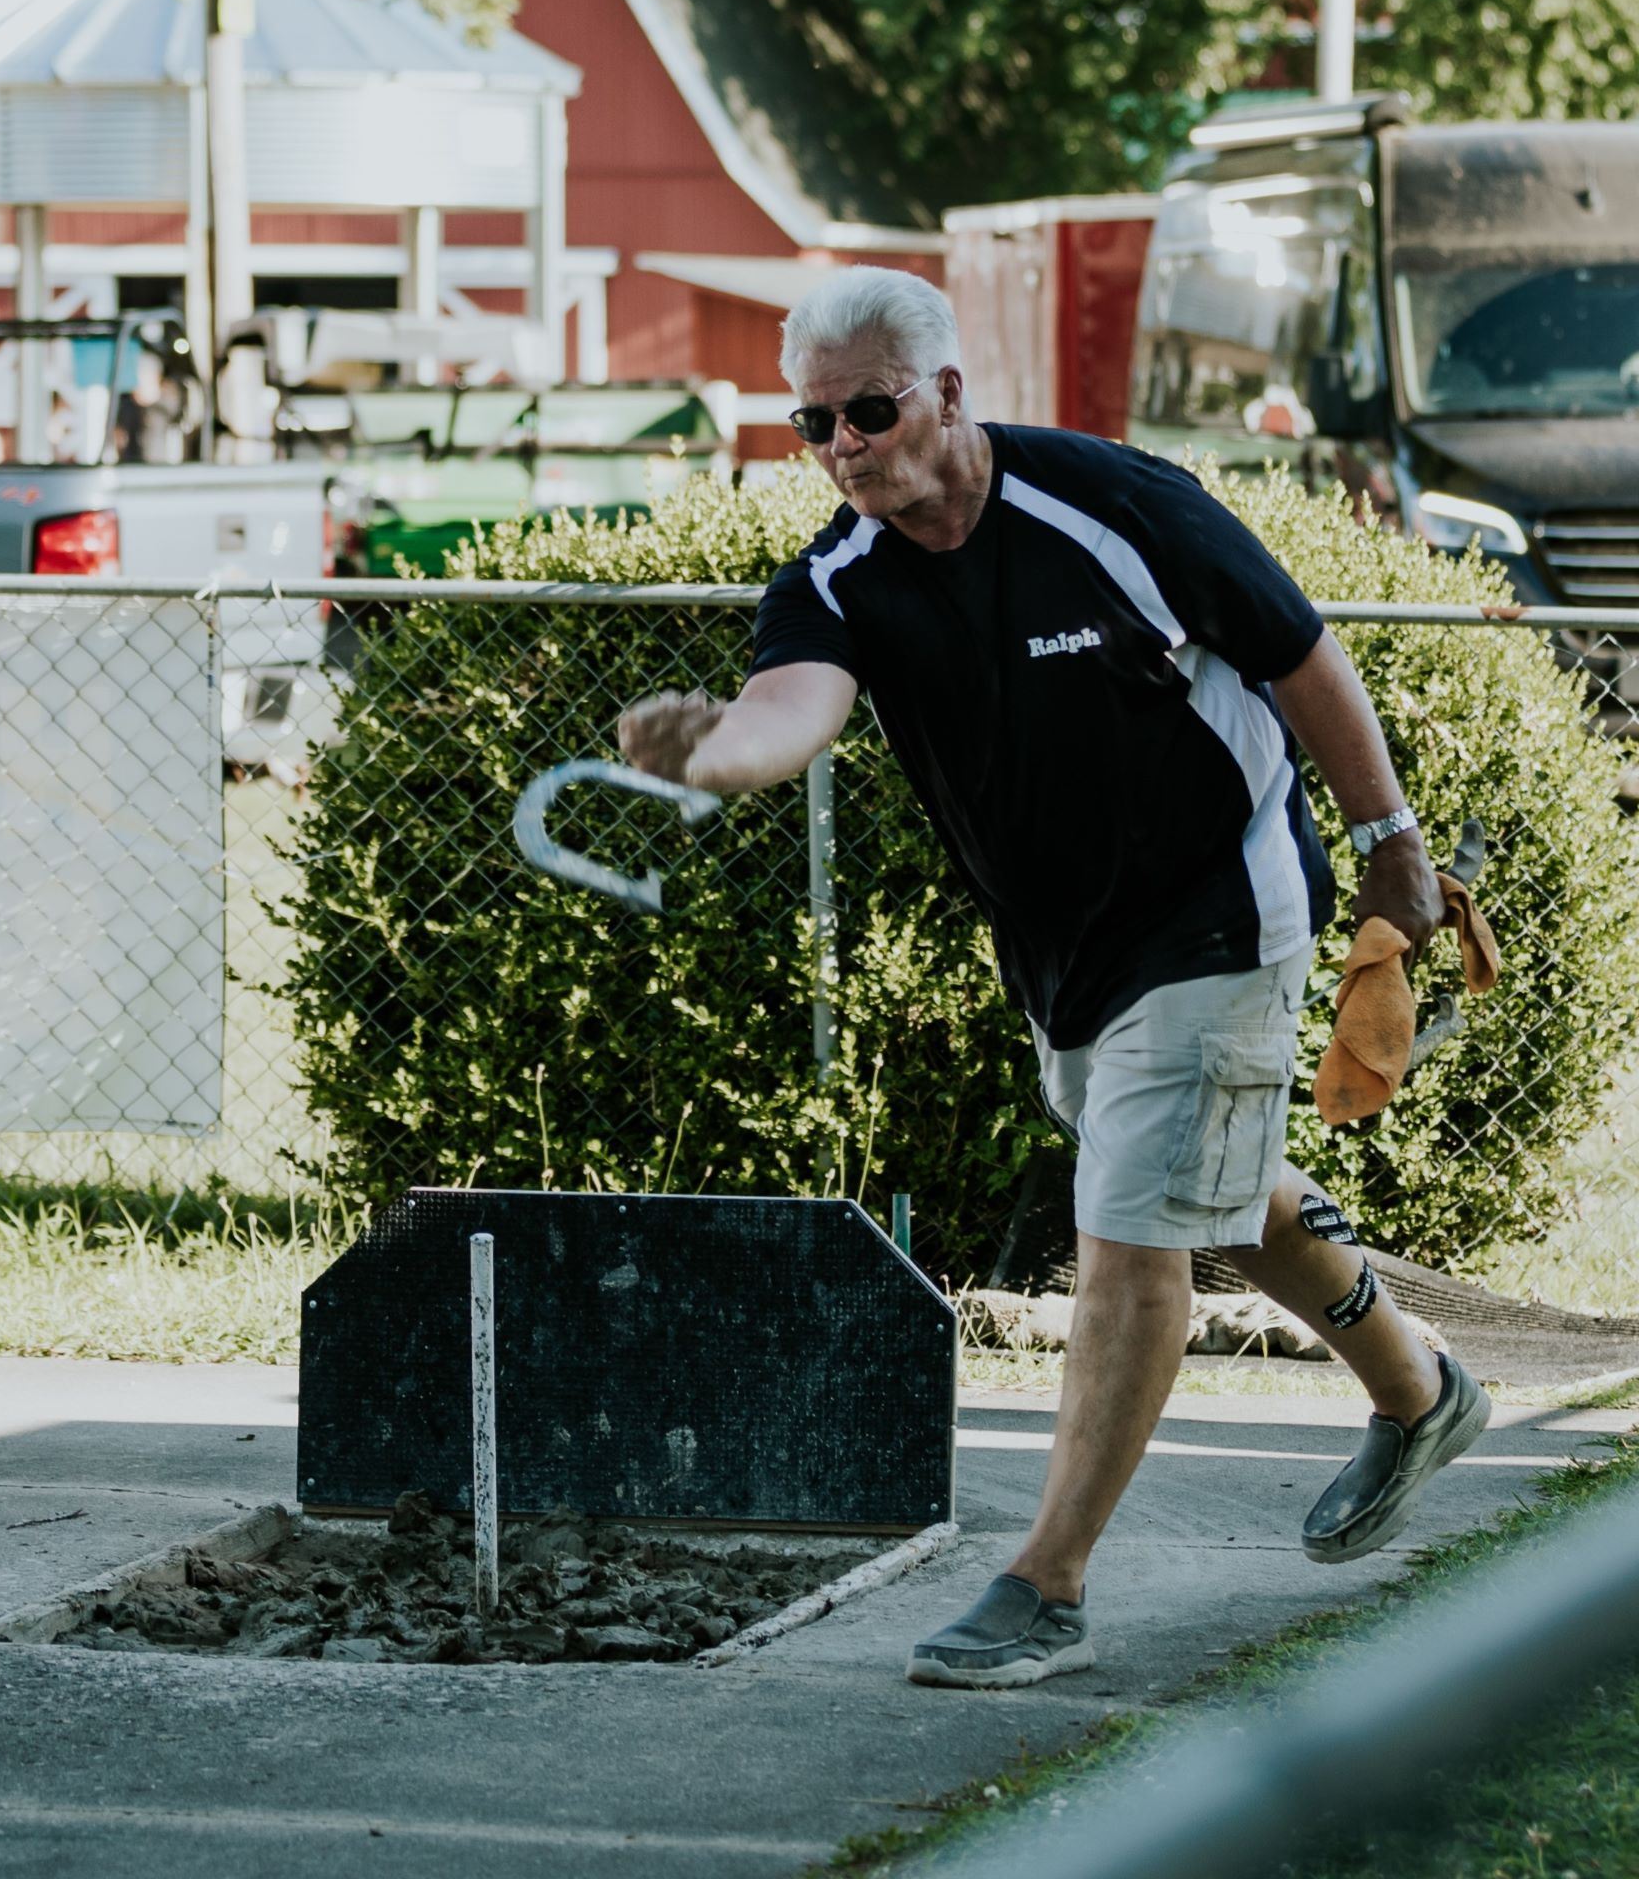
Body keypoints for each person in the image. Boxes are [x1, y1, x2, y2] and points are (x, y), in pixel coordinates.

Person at [617, 266, 1491, 1691]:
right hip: (1066, 947)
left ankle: (1048, 1582)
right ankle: (1422, 1389)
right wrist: (713, 751)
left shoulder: (1117, 506)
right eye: (813, 423)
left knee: (1133, 1232)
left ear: (948, 394)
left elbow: (1300, 657)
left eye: (871, 409)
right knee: (1207, 1176)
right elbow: (797, 705)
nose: (843, 444)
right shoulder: (841, 578)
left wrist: (1390, 840)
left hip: (1226, 898)